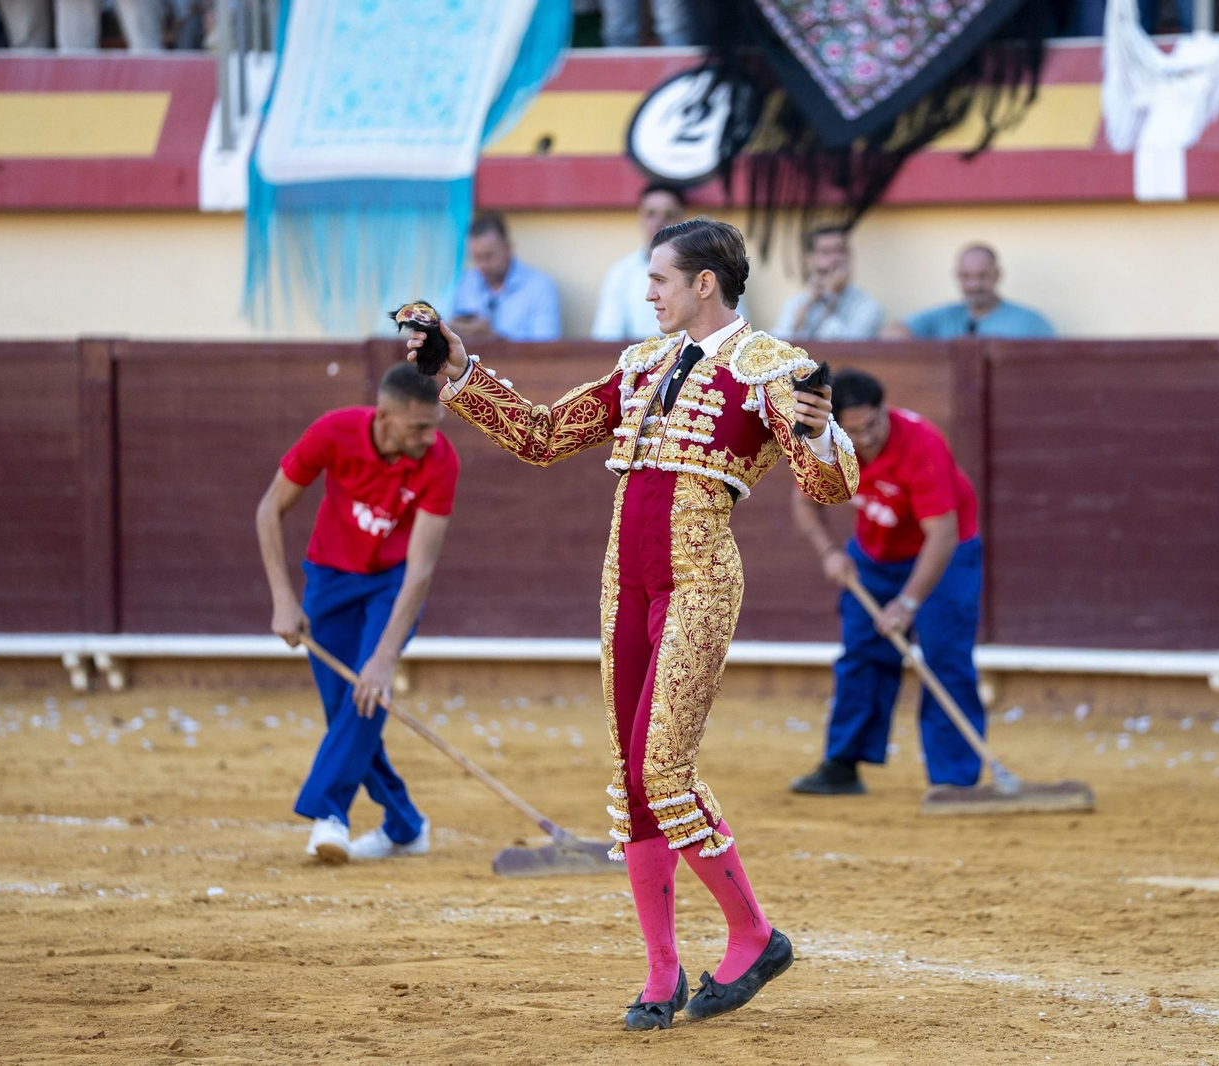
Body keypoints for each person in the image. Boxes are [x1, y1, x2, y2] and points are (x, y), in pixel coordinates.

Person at [406, 217, 858, 1031]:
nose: (647, 292)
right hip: (625, 585)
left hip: (698, 583)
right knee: (632, 777)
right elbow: (544, 438)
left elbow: (827, 491)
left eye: (658, 279)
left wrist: (824, 429)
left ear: (703, 285)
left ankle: (753, 934)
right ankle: (660, 970)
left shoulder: (773, 368)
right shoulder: (640, 364)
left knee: (663, 768)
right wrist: (459, 368)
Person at [255, 364, 459, 864]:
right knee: (344, 708)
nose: (430, 437)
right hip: (328, 578)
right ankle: (406, 825)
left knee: (367, 695)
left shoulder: (440, 460)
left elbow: (421, 568)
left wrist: (387, 656)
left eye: (434, 425)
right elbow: (268, 510)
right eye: (419, 427)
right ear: (385, 419)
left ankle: (330, 814)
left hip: (392, 585)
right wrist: (284, 597)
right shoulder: (334, 431)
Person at [788, 369, 1014, 806]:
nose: (865, 439)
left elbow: (943, 535)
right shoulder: (824, 442)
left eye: (872, 426)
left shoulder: (921, 444)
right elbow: (803, 499)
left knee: (945, 658)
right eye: (853, 432)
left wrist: (908, 602)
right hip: (874, 554)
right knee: (861, 654)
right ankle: (842, 765)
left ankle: (954, 780)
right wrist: (829, 552)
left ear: (884, 409)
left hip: (944, 557)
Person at [443, 212, 562, 343]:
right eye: (476, 258)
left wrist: (493, 338)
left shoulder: (540, 287)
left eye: (489, 256)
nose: (483, 265)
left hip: (519, 364)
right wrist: (450, 332)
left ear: (508, 248)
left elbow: (547, 351)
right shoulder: (466, 281)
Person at [592, 183, 688, 342]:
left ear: (682, 219)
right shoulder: (621, 273)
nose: (659, 222)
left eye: (668, 214)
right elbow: (607, 338)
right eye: (651, 213)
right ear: (640, 217)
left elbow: (730, 333)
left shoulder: (707, 271)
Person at [897, 244, 1055, 340]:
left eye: (982, 276)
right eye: (966, 276)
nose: (974, 285)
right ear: (957, 276)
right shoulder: (943, 317)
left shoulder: (1029, 323)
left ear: (997, 274)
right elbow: (893, 333)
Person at [772, 226, 886, 341]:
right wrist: (807, 306)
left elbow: (843, 348)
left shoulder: (867, 306)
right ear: (810, 260)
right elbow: (780, 344)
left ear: (850, 256)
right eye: (826, 252)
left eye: (841, 250)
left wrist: (830, 297)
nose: (835, 259)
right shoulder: (796, 302)